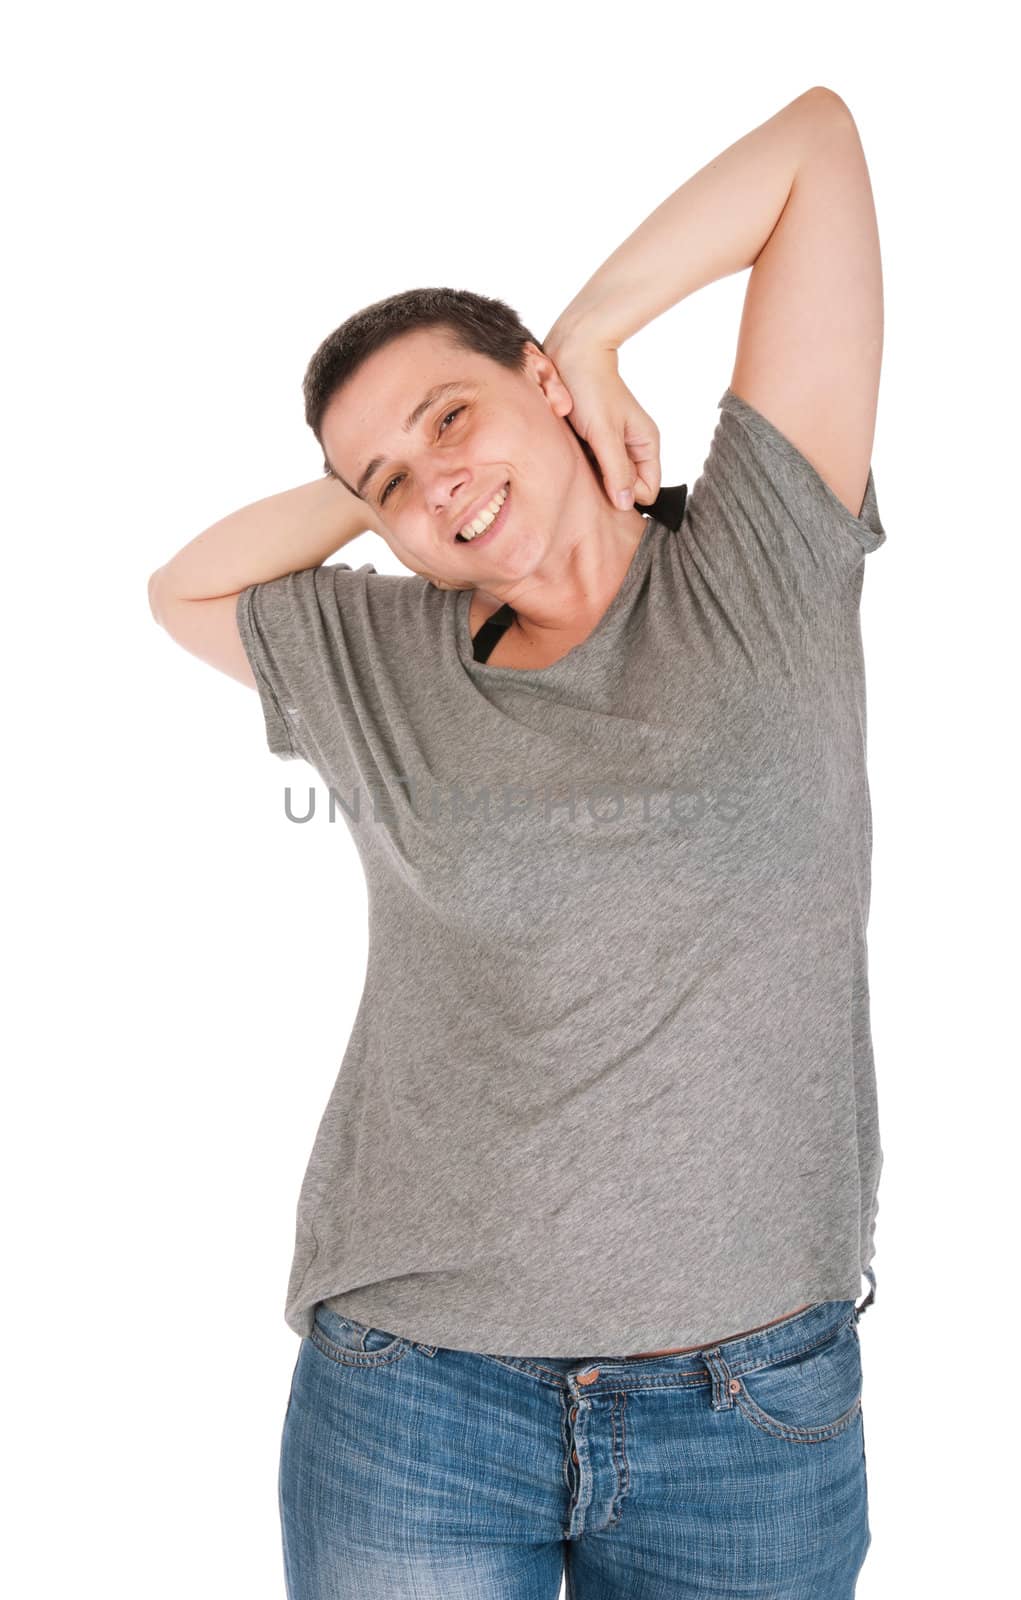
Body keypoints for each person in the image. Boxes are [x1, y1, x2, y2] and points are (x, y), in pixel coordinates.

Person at [149, 85, 885, 1600]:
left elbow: (815, 148)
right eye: (389, 487)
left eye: (452, 416)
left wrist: (594, 334)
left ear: (541, 381)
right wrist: (387, 487)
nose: (436, 485)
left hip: (746, 1405)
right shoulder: (389, 662)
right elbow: (184, 588)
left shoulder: (759, 558)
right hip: (416, 1392)